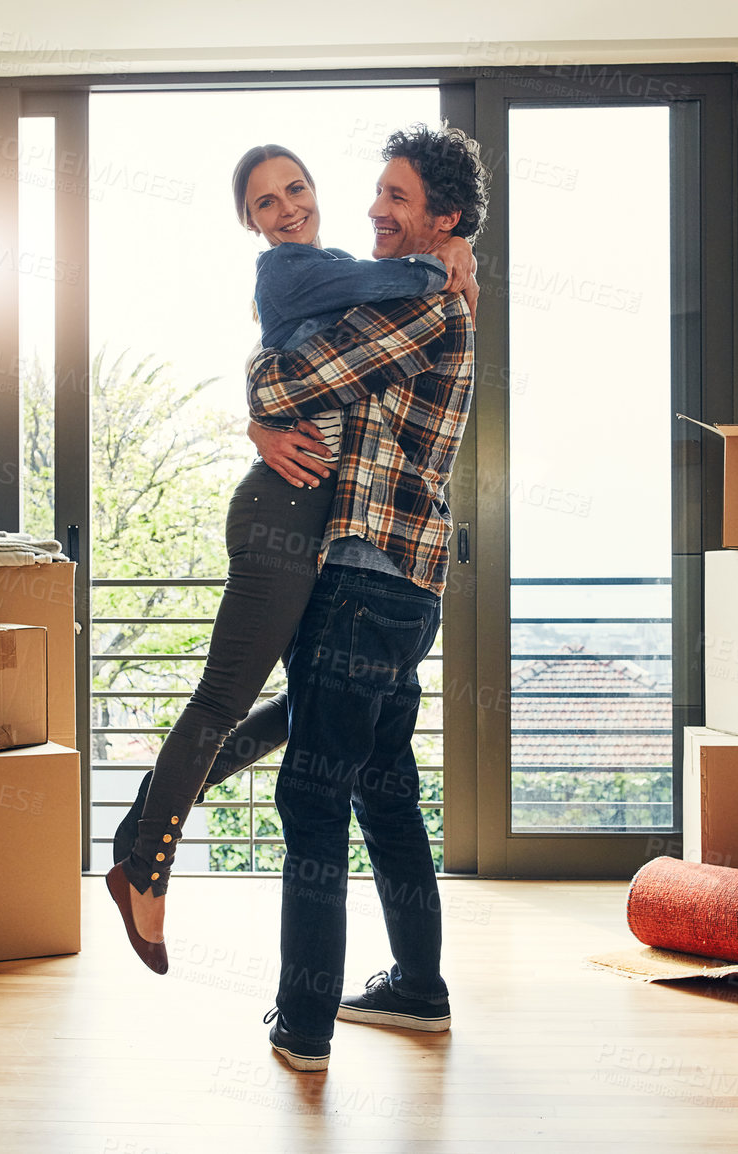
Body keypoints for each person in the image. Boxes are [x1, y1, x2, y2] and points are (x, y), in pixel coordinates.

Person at [104, 143, 478, 975]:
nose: (286, 207)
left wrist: (441, 264)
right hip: (283, 509)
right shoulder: (299, 276)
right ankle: (147, 869)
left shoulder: (342, 272)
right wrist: (442, 265)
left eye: (297, 189)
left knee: (307, 710)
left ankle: (141, 830)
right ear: (250, 221)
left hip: (332, 532)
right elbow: (282, 380)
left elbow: (309, 362)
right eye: (265, 202)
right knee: (225, 698)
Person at [243, 124, 489, 1072]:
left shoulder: (423, 309)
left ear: (443, 219)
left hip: (363, 579)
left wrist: (255, 395)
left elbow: (295, 376)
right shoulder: (430, 292)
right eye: (376, 193)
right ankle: (418, 989)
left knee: (311, 797)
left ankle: (303, 1028)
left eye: (396, 198)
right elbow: (306, 388)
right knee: (385, 792)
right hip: (400, 584)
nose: (374, 210)